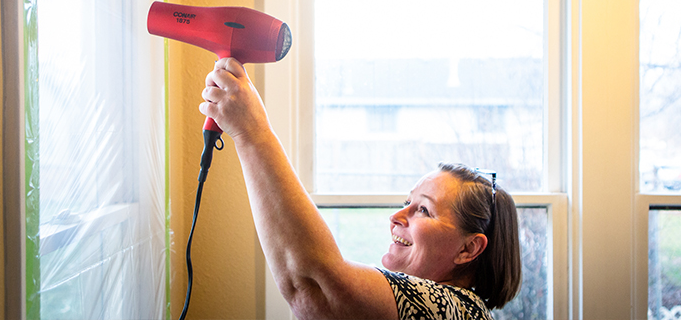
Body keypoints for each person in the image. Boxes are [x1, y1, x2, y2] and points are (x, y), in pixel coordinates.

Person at [200, 57, 522, 319]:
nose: (397, 216)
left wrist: (252, 133)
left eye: (423, 209)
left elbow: (317, 290)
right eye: (407, 202)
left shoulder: (452, 309)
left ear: (468, 249)